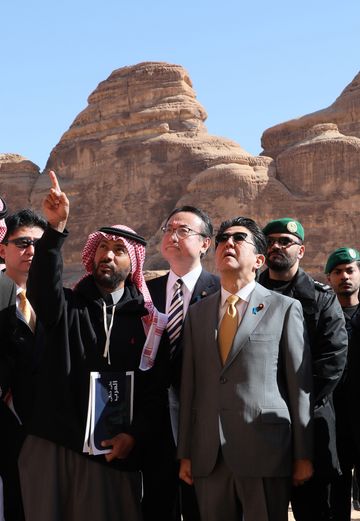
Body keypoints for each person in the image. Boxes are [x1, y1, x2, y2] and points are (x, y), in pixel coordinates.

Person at [19, 171, 170, 521]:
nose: (108, 255)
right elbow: (43, 290)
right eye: (102, 246)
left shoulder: (148, 321)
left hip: (113, 452)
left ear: (134, 263)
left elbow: (154, 390)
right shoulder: (67, 305)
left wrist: (133, 435)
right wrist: (55, 230)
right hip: (53, 443)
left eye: (119, 250)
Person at [178, 216, 313, 521]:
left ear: (259, 260)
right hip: (208, 456)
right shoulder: (197, 314)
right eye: (223, 239)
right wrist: (185, 451)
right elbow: (190, 387)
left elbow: (298, 384)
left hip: (265, 452)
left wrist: (303, 454)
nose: (228, 243)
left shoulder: (284, 308)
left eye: (239, 239)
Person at [259, 218, 348, 521]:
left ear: (301, 250)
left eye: (285, 241)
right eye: (270, 241)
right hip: (259, 421)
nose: (276, 246)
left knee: (313, 508)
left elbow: (333, 360)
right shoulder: (248, 295)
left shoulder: (322, 299)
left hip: (310, 418)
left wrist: (294, 403)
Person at [144, 206, 220, 521]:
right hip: (155, 421)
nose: (173, 236)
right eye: (168, 229)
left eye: (183, 230)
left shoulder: (220, 291)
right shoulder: (145, 293)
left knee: (202, 506)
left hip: (205, 421)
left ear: (205, 243)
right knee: (158, 505)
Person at [0, 205, 47, 521]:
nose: (31, 251)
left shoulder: (58, 301)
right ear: (2, 248)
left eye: (38, 245)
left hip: (46, 428)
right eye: (22, 243)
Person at [325, 248, 360, 520]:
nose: (344, 277)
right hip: (333, 419)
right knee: (336, 492)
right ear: (329, 278)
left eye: (350, 270)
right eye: (337, 272)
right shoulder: (322, 316)